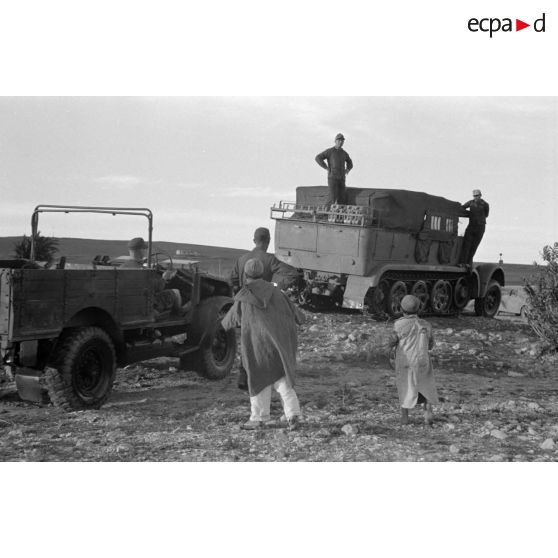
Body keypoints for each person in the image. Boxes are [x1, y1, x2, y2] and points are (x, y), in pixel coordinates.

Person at [221, 258, 305, 430]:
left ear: (245, 274)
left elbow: (227, 322)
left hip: (257, 344)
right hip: (280, 343)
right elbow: (300, 317)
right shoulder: (278, 293)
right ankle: (293, 414)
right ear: (263, 273)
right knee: (282, 379)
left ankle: (259, 418)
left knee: (259, 378)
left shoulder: (244, 296)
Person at [230, 227, 300, 391]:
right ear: (268, 241)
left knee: (245, 339)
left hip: (245, 303)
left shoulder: (242, 259)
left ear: (254, 240)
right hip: (262, 305)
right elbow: (292, 274)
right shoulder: (270, 259)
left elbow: (232, 279)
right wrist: (274, 286)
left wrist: (238, 294)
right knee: (261, 342)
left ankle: (243, 376)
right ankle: (261, 376)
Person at [389, 294, 438, 426]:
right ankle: (428, 412)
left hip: (406, 362)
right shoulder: (426, 324)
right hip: (423, 360)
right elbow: (431, 345)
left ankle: (405, 417)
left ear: (401, 309)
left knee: (405, 386)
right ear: (419, 309)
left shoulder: (399, 324)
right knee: (426, 384)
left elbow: (392, 342)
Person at [315, 133, 353, 206]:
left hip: (342, 178)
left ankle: (340, 216)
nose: (340, 142)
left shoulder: (344, 153)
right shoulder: (330, 151)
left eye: (342, 140)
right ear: (335, 141)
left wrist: (347, 169)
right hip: (332, 177)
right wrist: (326, 167)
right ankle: (324, 215)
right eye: (339, 140)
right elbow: (318, 158)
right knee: (332, 198)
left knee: (342, 198)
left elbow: (350, 163)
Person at [459, 189, 490, 267]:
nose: (476, 197)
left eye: (477, 196)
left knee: (474, 246)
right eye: (474, 196)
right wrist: (470, 214)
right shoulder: (471, 202)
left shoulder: (485, 204)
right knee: (466, 245)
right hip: (471, 226)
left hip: (480, 227)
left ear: (480, 195)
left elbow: (486, 214)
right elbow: (462, 207)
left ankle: (468, 263)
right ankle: (462, 262)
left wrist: (477, 217)